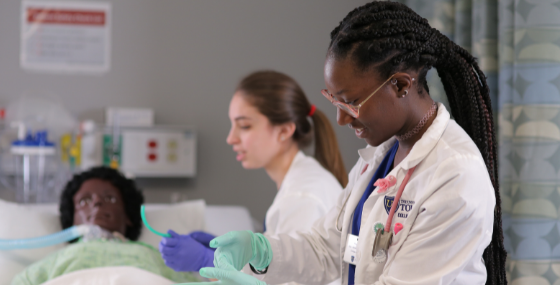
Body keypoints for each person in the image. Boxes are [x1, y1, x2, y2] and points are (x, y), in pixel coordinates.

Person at [185, 2, 508, 285]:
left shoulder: (455, 176)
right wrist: (261, 251)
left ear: (399, 85)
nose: (341, 119)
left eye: (351, 103)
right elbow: (328, 249)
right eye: (333, 101)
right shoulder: (383, 156)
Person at [159, 71, 347, 285]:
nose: (231, 138)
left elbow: (291, 276)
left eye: (245, 126)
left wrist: (210, 261)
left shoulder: (302, 197)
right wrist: (230, 254)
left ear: (284, 130)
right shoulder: (301, 180)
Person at [11, 166, 200, 285]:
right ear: (72, 218)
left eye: (109, 198)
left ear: (128, 215)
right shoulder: (59, 258)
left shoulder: (151, 255)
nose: (96, 204)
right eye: (85, 201)